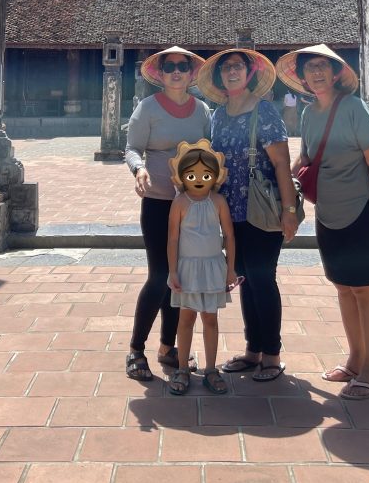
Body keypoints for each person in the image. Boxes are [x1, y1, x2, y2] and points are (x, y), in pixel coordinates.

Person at [277, 44, 369, 400]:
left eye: (322, 67)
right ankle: (355, 359)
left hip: (361, 209)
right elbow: (306, 157)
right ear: (301, 77)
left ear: (335, 73)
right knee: (344, 287)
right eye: (309, 68)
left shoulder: (354, 108)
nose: (316, 73)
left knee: (366, 289)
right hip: (327, 212)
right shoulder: (308, 114)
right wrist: (285, 182)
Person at [197, 48, 298, 383]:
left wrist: (289, 210)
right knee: (244, 279)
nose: (232, 72)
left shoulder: (264, 111)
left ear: (249, 73)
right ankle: (253, 350)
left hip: (261, 208)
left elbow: (282, 163)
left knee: (262, 277)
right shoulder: (218, 114)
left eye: (238, 67)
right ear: (219, 77)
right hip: (230, 211)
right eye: (226, 68)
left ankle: (272, 353)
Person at [124, 46, 211, 382]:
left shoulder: (202, 110)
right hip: (159, 199)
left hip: (191, 203)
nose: (176, 72)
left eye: (182, 67)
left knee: (181, 278)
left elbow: (209, 150)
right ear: (159, 74)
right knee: (160, 274)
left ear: (191, 75)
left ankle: (167, 346)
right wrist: (139, 169)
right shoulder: (147, 108)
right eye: (170, 67)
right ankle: (135, 348)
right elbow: (131, 147)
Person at [166, 140, 236, 395]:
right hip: (187, 270)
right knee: (186, 318)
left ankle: (210, 369)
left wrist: (230, 269)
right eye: (191, 175)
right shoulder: (179, 203)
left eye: (205, 175)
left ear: (215, 177)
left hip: (213, 268)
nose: (198, 179)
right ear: (182, 177)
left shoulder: (218, 201)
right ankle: (183, 367)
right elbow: (172, 238)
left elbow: (229, 235)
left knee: (210, 319)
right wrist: (173, 270)